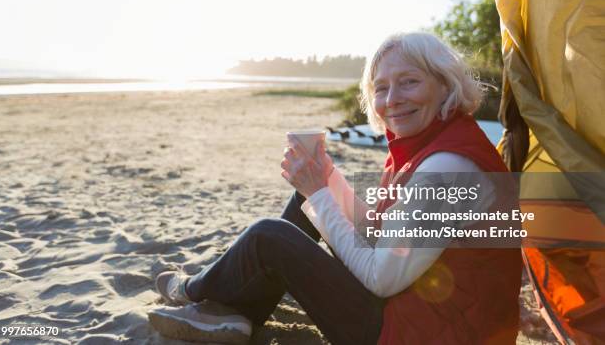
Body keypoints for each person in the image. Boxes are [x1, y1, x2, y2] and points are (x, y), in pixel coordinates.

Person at [148, 32, 522, 344]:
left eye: (410, 81)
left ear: (445, 85)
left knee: (270, 236)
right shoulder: (428, 144)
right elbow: (380, 236)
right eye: (381, 88)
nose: (392, 100)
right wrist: (326, 178)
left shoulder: (447, 169)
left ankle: (193, 292)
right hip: (426, 313)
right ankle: (236, 313)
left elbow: (381, 279)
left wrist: (321, 194)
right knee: (304, 201)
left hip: (423, 334)